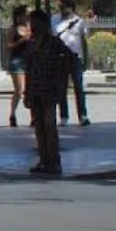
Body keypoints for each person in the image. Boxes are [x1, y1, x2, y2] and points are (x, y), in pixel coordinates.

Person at [23, 9, 75, 175]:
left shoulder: (53, 42)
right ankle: (43, 159)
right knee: (39, 127)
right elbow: (28, 70)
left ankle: (54, 160)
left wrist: (61, 79)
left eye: (35, 22)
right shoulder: (31, 44)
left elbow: (69, 56)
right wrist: (27, 92)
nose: (32, 26)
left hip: (50, 88)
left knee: (49, 125)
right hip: (36, 88)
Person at [52, 0, 90, 126]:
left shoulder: (79, 21)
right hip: (60, 58)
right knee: (61, 88)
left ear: (71, 8)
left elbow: (84, 41)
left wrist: (86, 58)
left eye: (65, 7)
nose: (63, 10)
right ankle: (64, 116)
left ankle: (83, 115)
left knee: (78, 87)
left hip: (75, 57)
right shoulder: (54, 20)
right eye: (61, 7)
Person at [5, 4, 31, 128]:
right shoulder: (14, 29)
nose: (28, 16)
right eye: (26, 13)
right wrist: (21, 41)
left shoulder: (30, 28)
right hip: (17, 60)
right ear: (20, 15)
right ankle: (12, 114)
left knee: (30, 89)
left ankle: (34, 117)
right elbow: (8, 46)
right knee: (20, 90)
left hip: (29, 60)